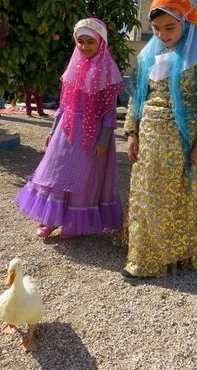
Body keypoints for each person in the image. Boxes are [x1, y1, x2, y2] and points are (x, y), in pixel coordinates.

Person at [122, 0, 197, 278]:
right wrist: (132, 131)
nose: (162, 34)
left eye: (170, 27)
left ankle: (163, 256)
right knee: (146, 192)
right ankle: (142, 250)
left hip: (183, 140)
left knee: (174, 196)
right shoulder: (150, 54)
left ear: (186, 21)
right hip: (149, 135)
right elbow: (138, 96)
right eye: (156, 28)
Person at [15, 18, 124, 239]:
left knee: (84, 179)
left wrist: (103, 139)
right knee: (56, 174)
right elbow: (64, 104)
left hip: (92, 135)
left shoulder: (108, 70)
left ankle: (74, 222)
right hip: (67, 132)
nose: (84, 47)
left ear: (101, 42)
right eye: (80, 41)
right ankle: (50, 220)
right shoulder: (74, 66)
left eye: (90, 42)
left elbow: (109, 111)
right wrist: (53, 131)